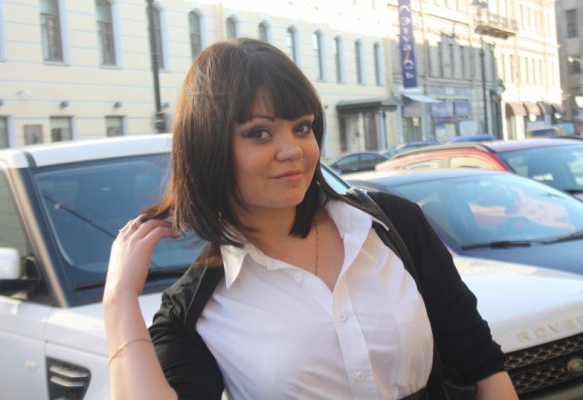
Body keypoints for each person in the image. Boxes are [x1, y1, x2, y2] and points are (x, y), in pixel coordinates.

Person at [102, 38, 518, 400]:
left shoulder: (392, 226)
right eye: (259, 133)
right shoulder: (196, 307)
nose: (293, 150)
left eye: (302, 128)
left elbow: (481, 364)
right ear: (208, 147)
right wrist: (119, 299)